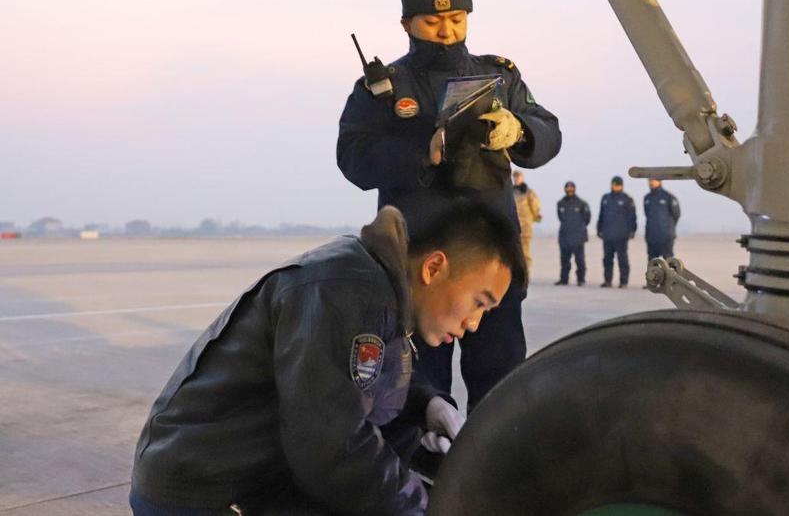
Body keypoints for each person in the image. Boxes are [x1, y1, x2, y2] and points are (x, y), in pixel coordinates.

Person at [129, 202, 526, 516]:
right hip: (205, 492)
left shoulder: (379, 289)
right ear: (434, 267)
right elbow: (333, 449)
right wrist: (425, 507)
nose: (474, 324)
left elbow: (354, 394)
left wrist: (426, 406)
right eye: (479, 302)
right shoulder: (350, 293)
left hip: (246, 478)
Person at [337, 0, 561, 411]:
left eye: (456, 19)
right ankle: (422, 476)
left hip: (491, 266)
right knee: (417, 396)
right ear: (407, 23)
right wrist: (423, 151)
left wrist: (517, 130)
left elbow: (550, 132)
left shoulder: (500, 76)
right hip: (422, 268)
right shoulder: (383, 88)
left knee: (500, 392)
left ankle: (490, 475)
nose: (446, 31)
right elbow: (352, 156)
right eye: (433, 21)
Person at [597, 175, 637, 288]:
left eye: (617, 185)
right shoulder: (605, 198)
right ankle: (607, 281)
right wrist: (599, 229)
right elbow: (601, 215)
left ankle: (623, 282)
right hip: (607, 235)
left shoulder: (627, 199)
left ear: (621, 186)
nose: (615, 186)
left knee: (622, 259)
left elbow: (632, 217)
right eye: (613, 184)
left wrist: (632, 230)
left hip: (621, 236)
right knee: (607, 259)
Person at [555, 180, 591, 286]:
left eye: (571, 187)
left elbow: (587, 219)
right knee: (564, 260)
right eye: (567, 187)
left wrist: (579, 229)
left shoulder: (582, 203)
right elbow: (560, 218)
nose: (569, 189)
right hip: (565, 236)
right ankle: (564, 279)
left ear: (574, 189)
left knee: (580, 260)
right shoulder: (560, 203)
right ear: (565, 189)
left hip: (578, 237)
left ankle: (581, 279)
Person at [512, 170, 542, 273]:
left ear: (522, 178)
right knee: (513, 249)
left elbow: (535, 206)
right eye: (514, 177)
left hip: (525, 226)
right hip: (512, 225)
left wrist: (536, 216)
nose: (516, 179)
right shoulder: (510, 192)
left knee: (524, 250)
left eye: (518, 177)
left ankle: (525, 271)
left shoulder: (528, 192)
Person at [644, 178, 680, 262]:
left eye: (653, 180)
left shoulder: (668, 196)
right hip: (652, 236)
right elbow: (647, 214)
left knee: (669, 261)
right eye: (649, 180)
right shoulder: (647, 198)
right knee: (652, 263)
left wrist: (668, 227)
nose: (651, 182)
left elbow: (676, 214)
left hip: (666, 236)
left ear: (659, 181)